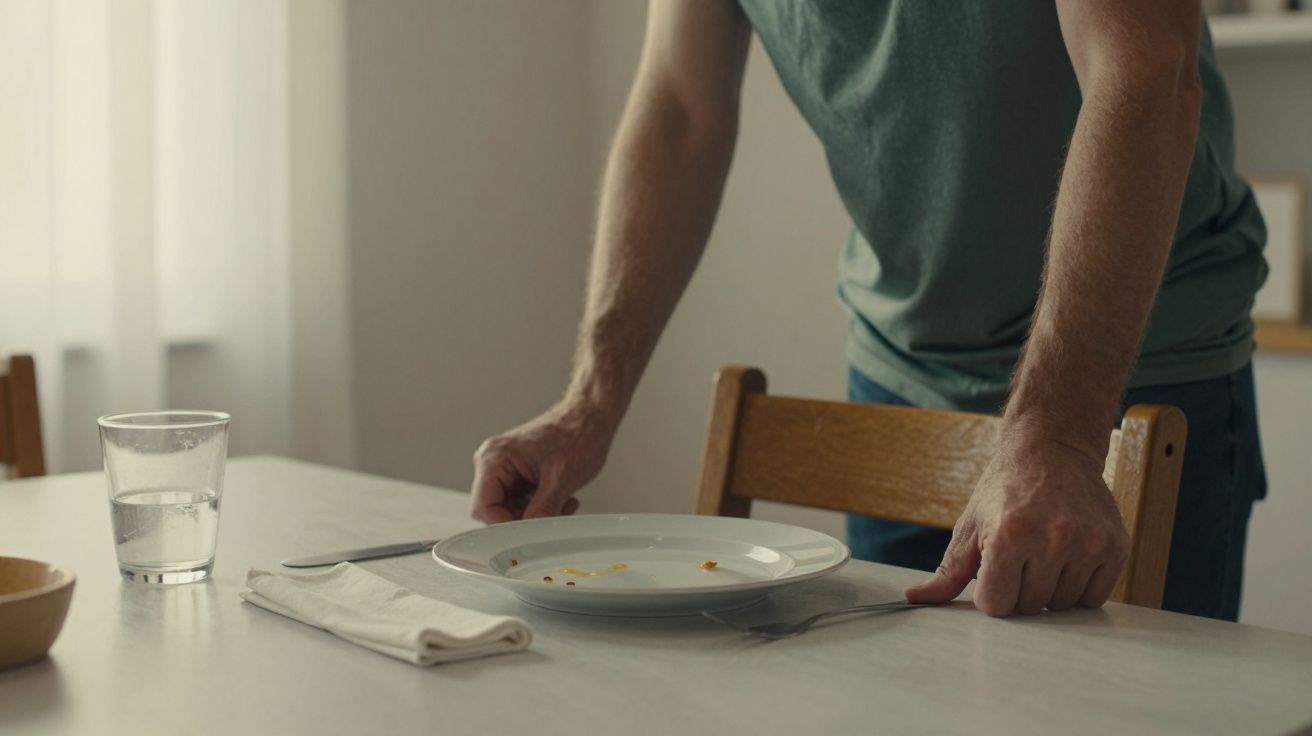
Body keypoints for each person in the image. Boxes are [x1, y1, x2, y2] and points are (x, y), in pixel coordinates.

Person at [470, 0, 1267, 621]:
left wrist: (1057, 434)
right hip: (901, 363)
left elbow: (1143, 72)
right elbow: (679, 111)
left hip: (1132, 373)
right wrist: (590, 403)